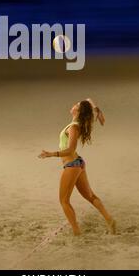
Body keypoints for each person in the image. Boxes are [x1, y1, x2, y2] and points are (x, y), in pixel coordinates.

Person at [38, 98, 116, 236]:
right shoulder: (77, 123)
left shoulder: (74, 127)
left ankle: (76, 232)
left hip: (72, 165)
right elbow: (88, 100)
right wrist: (94, 107)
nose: (73, 105)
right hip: (78, 163)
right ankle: (109, 219)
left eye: (76, 105)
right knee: (90, 196)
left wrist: (51, 154)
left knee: (64, 201)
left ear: (79, 111)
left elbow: (70, 149)